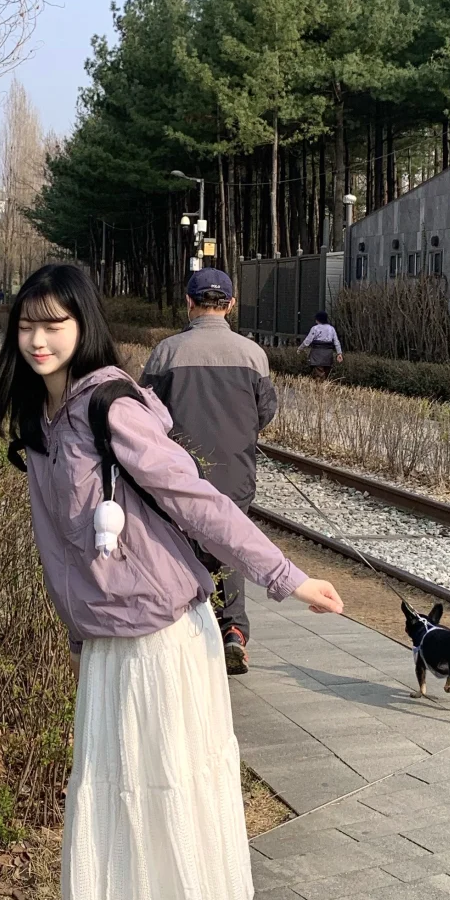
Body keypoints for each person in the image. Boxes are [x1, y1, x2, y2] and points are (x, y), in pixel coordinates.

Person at [0, 264, 343, 900]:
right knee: (111, 800)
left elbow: (195, 498)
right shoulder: (41, 418)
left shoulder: (109, 405)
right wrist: (79, 636)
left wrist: (286, 577)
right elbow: (61, 549)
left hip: (159, 636)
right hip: (107, 639)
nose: (39, 339)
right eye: (27, 324)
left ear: (83, 325)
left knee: (153, 799)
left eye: (54, 323)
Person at [139, 267, 276, 677]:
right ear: (230, 305)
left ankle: (184, 633)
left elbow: (144, 414)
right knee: (229, 548)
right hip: (236, 473)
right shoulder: (253, 354)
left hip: (179, 475)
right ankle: (233, 631)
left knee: (178, 549)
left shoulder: (166, 353)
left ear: (189, 302)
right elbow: (266, 412)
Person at [298, 311, 343, 381]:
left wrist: (300, 348)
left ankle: (321, 386)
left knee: (319, 373)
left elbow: (307, 341)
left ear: (318, 319)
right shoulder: (331, 328)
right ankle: (325, 385)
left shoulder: (315, 328)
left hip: (317, 353)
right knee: (326, 372)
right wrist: (339, 353)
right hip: (328, 354)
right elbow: (336, 342)